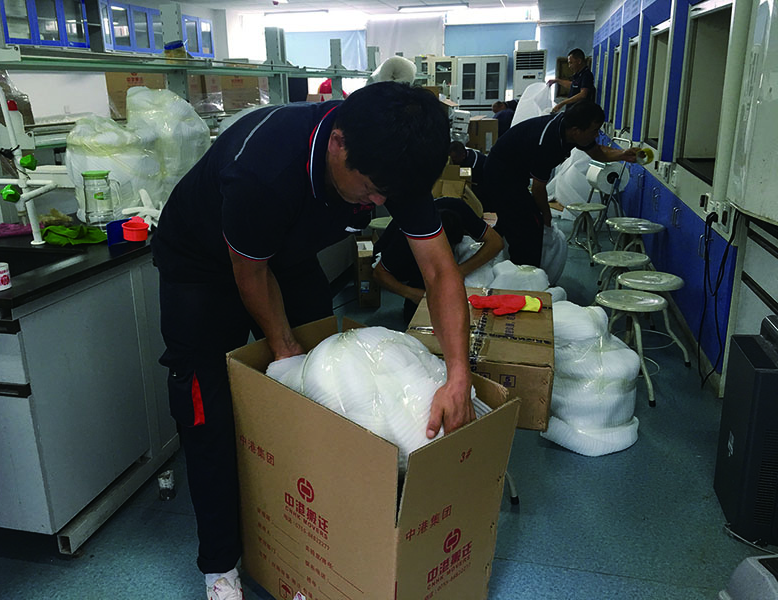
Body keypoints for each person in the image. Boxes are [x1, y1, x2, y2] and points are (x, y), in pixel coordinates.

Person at [151, 81, 475, 600]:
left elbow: (439, 271)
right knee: (207, 407)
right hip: (202, 264)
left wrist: (458, 375)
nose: (378, 203)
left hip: (286, 252)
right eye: (370, 190)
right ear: (338, 143)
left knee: (328, 386)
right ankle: (220, 566)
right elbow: (249, 273)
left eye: (386, 195)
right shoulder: (263, 168)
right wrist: (284, 351)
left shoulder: (393, 162)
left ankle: (318, 538)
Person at [482, 100, 637, 268]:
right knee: (528, 225)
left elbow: (597, 152)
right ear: (576, 131)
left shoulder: (571, 129)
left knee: (516, 220)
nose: (596, 135)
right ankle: (523, 272)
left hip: (514, 175)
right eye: (594, 131)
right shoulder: (549, 142)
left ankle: (491, 259)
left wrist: (623, 154)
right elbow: (538, 189)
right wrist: (546, 215)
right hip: (499, 175)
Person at [373, 196, 504, 324]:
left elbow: (496, 242)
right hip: (399, 257)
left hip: (433, 237)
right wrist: (413, 294)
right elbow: (379, 274)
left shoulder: (458, 208)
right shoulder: (407, 239)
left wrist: (460, 271)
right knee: (423, 311)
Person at [547, 48, 596, 113]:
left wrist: (562, 103)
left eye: (571, 63)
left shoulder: (586, 75)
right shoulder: (578, 75)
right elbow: (573, 85)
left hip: (580, 113)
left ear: (579, 61)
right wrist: (556, 81)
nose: (569, 66)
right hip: (572, 111)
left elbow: (583, 94)